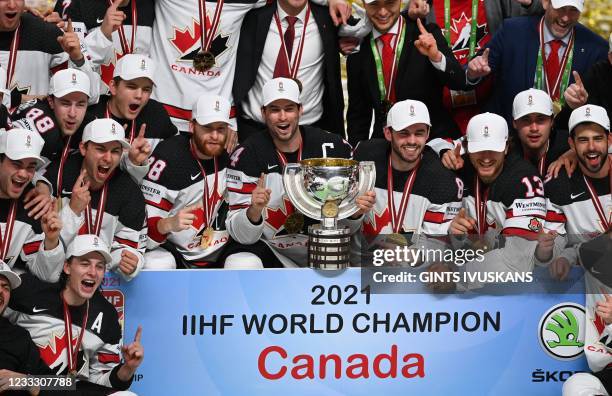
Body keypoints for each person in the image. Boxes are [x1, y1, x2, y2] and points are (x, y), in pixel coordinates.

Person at [225, 77, 367, 268]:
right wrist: (254, 211)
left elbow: (348, 229)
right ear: (263, 113)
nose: (282, 117)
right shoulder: (247, 155)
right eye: (274, 109)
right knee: (239, 263)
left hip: (323, 248)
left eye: (289, 109)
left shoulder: (334, 148)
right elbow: (243, 237)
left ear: (300, 110)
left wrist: (355, 213)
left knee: (335, 253)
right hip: (272, 252)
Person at [148, 0, 349, 133]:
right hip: (250, 128)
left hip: (308, 127)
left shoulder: (326, 18)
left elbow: (361, 24)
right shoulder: (257, 14)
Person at [4, 234, 144, 394]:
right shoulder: (30, 291)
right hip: (25, 385)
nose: (93, 272)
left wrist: (127, 368)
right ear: (67, 267)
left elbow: (102, 381)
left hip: (67, 389)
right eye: (85, 264)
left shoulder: (107, 315)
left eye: (100, 266)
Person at [538, 105, 611, 395]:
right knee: (578, 388)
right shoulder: (558, 185)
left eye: (597, 138)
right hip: (604, 335)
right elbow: (556, 249)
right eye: (582, 140)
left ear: (609, 139)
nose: (591, 147)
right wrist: (555, 256)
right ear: (571, 144)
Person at [353, 99, 463, 264]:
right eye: (404, 133)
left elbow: (436, 244)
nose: (412, 140)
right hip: (357, 268)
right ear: (388, 133)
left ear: (427, 134)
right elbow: (338, 227)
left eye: (419, 133)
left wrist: (409, 257)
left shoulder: (442, 180)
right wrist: (354, 214)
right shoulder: (363, 159)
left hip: (409, 275)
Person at [346, 0, 469, 148]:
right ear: (364, 4)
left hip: (433, 143)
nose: (383, 12)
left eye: (390, 3)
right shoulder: (358, 50)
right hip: (386, 145)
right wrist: (357, 154)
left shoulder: (425, 32)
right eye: (375, 5)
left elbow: (460, 82)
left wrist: (436, 57)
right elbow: (358, 116)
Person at [466, 0, 608, 125]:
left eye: (573, 10)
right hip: (510, 137)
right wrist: (473, 73)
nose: (565, 17)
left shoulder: (597, 47)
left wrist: (583, 104)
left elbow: (603, 109)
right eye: (561, 8)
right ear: (546, 2)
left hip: (565, 142)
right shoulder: (512, 31)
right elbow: (474, 70)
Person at [447, 112, 546, 289]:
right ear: (467, 147)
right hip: (478, 282)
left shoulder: (525, 180)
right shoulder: (458, 172)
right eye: (479, 149)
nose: (486, 157)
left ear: (506, 147)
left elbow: (518, 264)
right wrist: (457, 236)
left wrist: (457, 276)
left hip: (517, 293)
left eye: (493, 148)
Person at [42, 119, 147, 281]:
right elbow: (44, 266)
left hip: (94, 277)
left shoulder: (130, 192)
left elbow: (128, 247)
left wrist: (131, 261)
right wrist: (72, 211)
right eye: (100, 149)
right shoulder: (57, 176)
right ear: (83, 148)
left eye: (115, 151)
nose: (108, 158)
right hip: (54, 275)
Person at [141, 94, 231, 269]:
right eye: (207, 127)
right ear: (192, 126)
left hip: (221, 249)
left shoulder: (228, 154)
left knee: (243, 261)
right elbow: (141, 228)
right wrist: (168, 223)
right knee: (157, 264)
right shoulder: (168, 158)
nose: (214, 136)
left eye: (221, 129)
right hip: (175, 250)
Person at [233, 0, 345, 140]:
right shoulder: (252, 16)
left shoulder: (329, 17)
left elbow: (363, 24)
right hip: (254, 130)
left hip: (309, 131)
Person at [437, 88, 570, 177]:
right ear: (514, 123)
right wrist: (445, 152)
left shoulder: (568, 144)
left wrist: (576, 153)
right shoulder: (501, 139)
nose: (534, 128)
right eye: (525, 120)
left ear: (552, 121)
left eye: (541, 120)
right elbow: (437, 143)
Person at [87, 54, 176, 183]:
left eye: (146, 89)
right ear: (113, 87)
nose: (139, 95)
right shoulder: (92, 113)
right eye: (132, 87)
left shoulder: (156, 113)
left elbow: (175, 150)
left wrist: (137, 162)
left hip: (130, 194)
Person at [0, 0, 97, 108]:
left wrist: (77, 59)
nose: (12, 5)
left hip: (33, 123)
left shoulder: (47, 33)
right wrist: (21, 99)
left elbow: (91, 95)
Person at [0, 129, 64, 281]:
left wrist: (51, 241)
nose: (23, 174)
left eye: (31, 167)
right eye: (16, 164)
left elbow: (47, 276)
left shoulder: (34, 206)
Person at [53, 0, 156, 90]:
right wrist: (102, 34)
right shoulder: (76, 4)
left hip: (138, 102)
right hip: (93, 103)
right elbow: (74, 68)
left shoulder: (153, 5)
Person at [10, 69, 93, 163]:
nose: (72, 114)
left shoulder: (89, 121)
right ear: (51, 102)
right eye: (65, 104)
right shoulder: (46, 135)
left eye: (80, 105)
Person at [0, 261, 52, 396]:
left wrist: (29, 382)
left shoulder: (18, 337)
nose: (1, 291)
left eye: (5, 287)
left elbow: (62, 385)